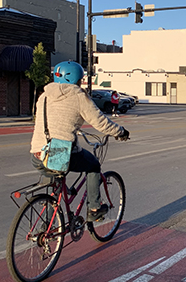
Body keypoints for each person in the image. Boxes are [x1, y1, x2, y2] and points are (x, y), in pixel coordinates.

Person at [30, 61, 130, 222]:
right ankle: (94, 208)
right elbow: (100, 122)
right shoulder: (78, 96)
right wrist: (120, 132)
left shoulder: (44, 96)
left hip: (38, 154)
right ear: (77, 79)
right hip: (59, 154)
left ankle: (45, 228)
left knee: (53, 187)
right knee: (93, 166)